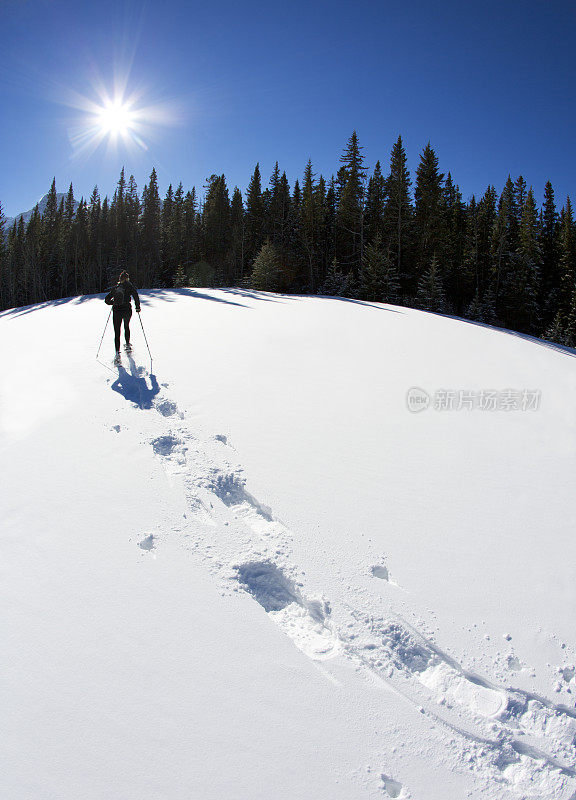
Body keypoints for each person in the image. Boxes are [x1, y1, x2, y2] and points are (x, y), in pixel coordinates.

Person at [105, 271, 141, 359]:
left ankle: (117, 353)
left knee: (117, 332)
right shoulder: (130, 287)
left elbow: (107, 300)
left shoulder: (116, 287)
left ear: (120, 279)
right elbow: (136, 296)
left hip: (117, 311)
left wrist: (113, 303)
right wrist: (137, 307)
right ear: (127, 278)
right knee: (126, 326)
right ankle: (128, 345)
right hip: (127, 310)